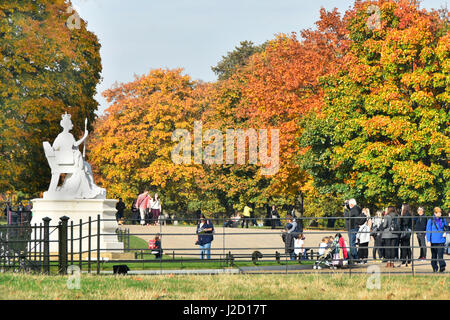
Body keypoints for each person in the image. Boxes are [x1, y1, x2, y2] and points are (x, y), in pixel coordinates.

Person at [426, 207, 448, 272]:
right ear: (435, 213)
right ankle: (434, 267)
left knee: (440, 255)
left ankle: (442, 266)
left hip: (441, 240)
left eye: (440, 212)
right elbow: (428, 231)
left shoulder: (443, 220)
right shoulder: (431, 220)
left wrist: (445, 232)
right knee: (434, 255)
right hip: (433, 240)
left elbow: (446, 228)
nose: (440, 213)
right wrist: (428, 240)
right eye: (439, 212)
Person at [344, 199, 366, 264]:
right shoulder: (356, 209)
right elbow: (351, 213)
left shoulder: (355, 209)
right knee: (352, 243)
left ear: (352, 204)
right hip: (353, 228)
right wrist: (347, 205)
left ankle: (356, 258)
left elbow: (347, 216)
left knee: (352, 243)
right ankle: (354, 258)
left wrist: (345, 210)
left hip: (352, 228)